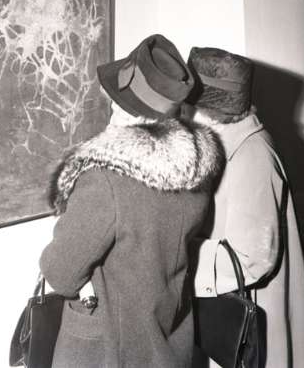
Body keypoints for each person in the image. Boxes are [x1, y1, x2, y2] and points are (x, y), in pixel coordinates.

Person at [39, 35, 224, 368]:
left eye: (116, 100)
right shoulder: (197, 173)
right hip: (169, 344)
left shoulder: (105, 180)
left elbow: (59, 273)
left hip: (108, 351)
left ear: (123, 110)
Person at [184, 47, 304, 368]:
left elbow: (252, 259)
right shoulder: (230, 146)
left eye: (188, 104)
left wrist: (180, 259)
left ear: (207, 109)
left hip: (251, 320)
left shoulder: (252, 156)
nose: (183, 113)